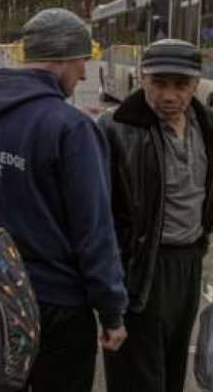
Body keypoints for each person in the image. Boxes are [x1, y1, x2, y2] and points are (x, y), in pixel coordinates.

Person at [0, 8, 128, 392]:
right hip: (57, 305)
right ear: (63, 58)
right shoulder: (71, 127)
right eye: (83, 60)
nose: (84, 73)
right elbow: (94, 229)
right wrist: (111, 310)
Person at [99, 39, 213, 392]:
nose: (169, 95)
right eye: (159, 83)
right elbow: (101, 217)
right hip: (141, 270)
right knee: (138, 376)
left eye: (180, 85)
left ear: (196, 84)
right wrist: (109, 297)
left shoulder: (206, 125)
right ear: (141, 78)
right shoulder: (116, 128)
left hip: (190, 261)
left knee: (173, 366)